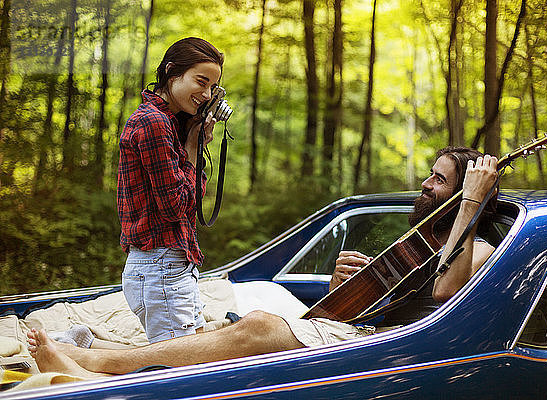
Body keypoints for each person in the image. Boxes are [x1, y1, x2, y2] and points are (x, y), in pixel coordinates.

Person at [28, 147, 498, 378]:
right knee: (219, 332)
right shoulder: (428, 239)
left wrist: (472, 207)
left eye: (438, 180)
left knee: (255, 326)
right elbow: (376, 306)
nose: (424, 184)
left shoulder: (478, 247)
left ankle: (93, 364)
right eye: (430, 175)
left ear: (464, 194)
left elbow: (444, 293)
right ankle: (107, 363)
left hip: (402, 354)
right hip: (359, 333)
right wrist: (345, 287)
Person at [117, 37, 224, 343]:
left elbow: (186, 202)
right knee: (176, 368)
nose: (205, 95)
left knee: (197, 344)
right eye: (200, 82)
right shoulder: (153, 123)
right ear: (172, 72)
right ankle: (79, 355)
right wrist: (192, 147)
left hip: (172, 264)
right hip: (160, 265)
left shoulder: (168, 123)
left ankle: (83, 342)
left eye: (211, 89)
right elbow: (176, 207)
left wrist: (193, 142)